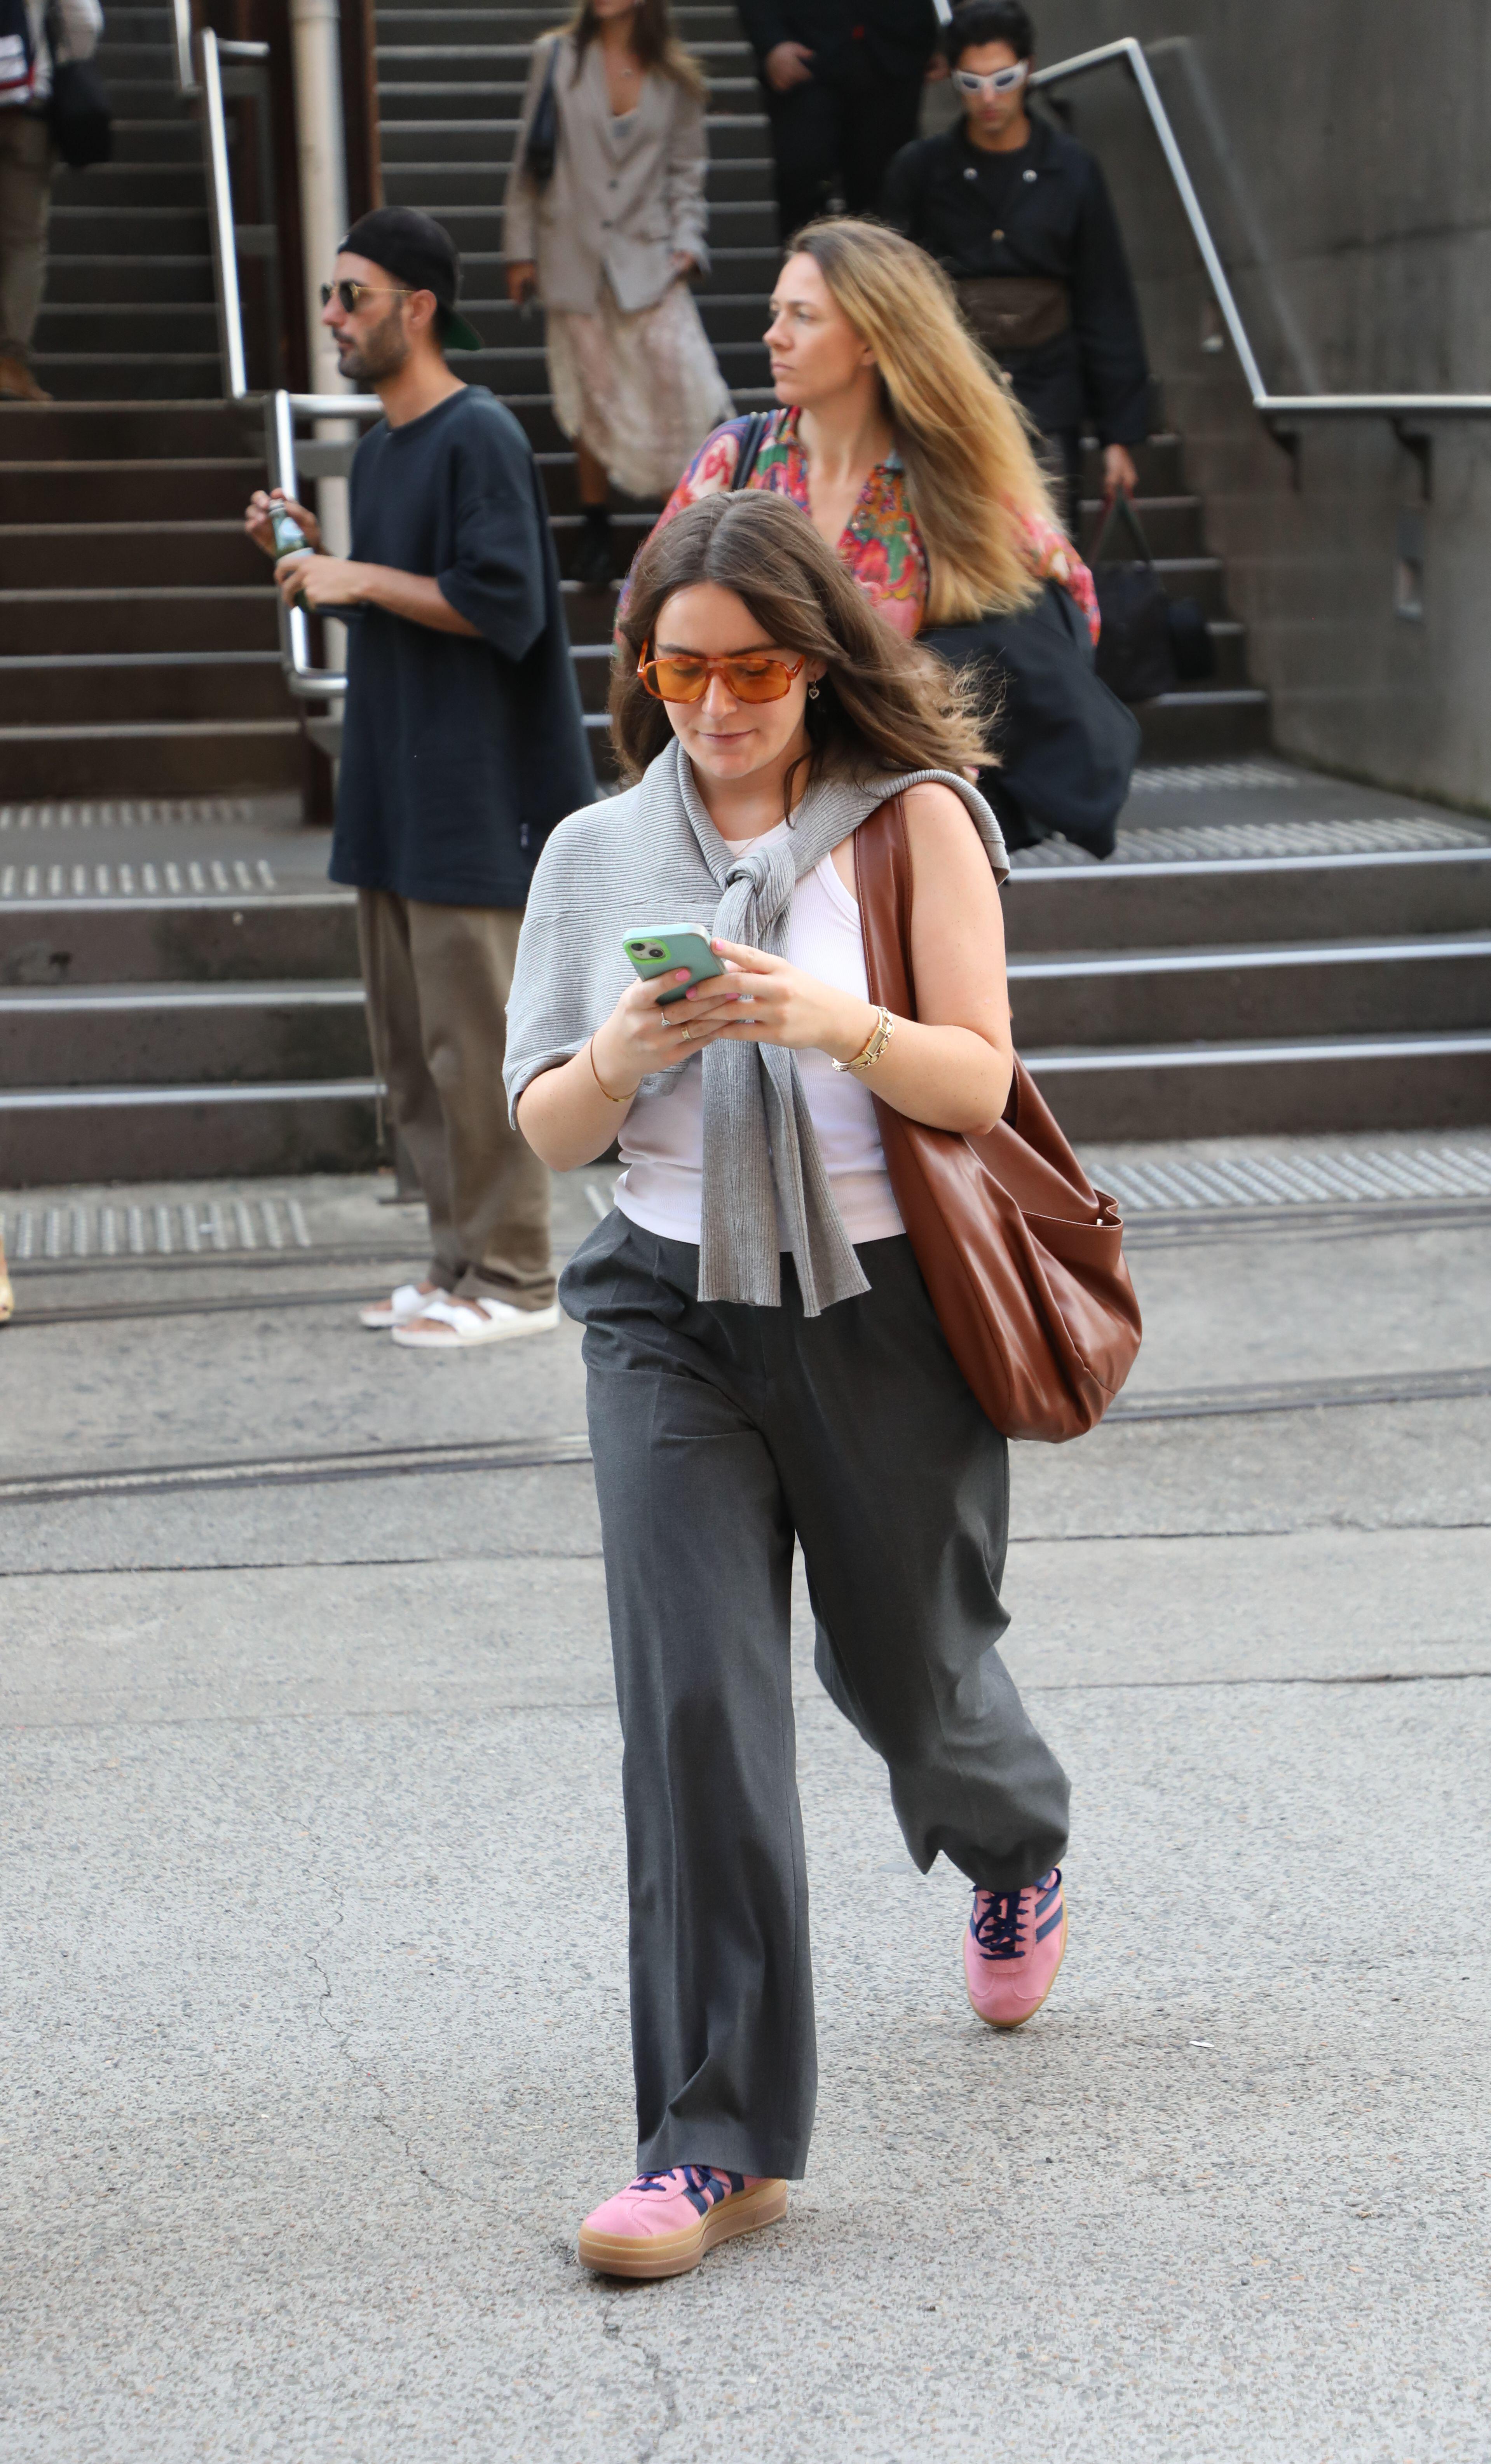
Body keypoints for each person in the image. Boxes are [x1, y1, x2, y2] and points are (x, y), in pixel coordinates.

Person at [505, 489, 1072, 2281]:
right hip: (662, 1308)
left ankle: (1007, 1829)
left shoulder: (908, 829)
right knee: (693, 1707)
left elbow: (972, 1084)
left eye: (749, 665)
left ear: (816, 659)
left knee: (907, 1662)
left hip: (878, 1306)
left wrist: (826, 1020)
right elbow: (540, 1123)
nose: (715, 703)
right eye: (679, 669)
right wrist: (626, 1045)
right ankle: (714, 2137)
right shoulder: (594, 853)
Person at [243, 207, 596, 1352]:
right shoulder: (393, 447)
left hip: (469, 794)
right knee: (412, 1052)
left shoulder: (477, 432)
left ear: (418, 307)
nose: (334, 318)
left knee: (475, 1042)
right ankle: (454, 1264)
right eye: (331, 299)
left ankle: (517, 1272)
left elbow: (501, 605)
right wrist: (311, 550)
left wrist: (353, 575)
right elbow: (397, 591)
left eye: (353, 296)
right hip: (393, 795)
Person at [643, 214, 1097, 642]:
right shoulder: (734, 459)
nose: (774, 334)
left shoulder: (948, 478)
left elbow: (1077, 607)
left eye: (804, 316)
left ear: (870, 342)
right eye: (776, 311)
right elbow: (639, 614)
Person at [882, 0, 1151, 530]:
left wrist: (1119, 436)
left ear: (1028, 68)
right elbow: (889, 294)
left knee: (1048, 548)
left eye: (1003, 79)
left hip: (1048, 388)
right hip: (954, 390)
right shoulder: (919, 171)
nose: (988, 97)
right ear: (950, 79)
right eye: (970, 82)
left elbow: (1104, 297)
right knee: (958, 549)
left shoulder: (1071, 169)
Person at [502, 0, 732, 591]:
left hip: (649, 261)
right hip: (570, 256)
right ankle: (595, 525)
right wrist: (519, 251)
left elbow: (687, 173)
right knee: (591, 392)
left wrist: (687, 243)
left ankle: (682, 527)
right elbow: (529, 162)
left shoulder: (674, 76)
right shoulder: (556, 58)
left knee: (679, 388)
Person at [734, 0, 942, 240]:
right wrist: (771, 41)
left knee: (885, 189)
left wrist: (949, 39)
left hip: (897, 50)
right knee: (802, 176)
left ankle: (876, 275)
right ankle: (805, 272)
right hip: (805, 51)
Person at [0, 0, 102, 400]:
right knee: (24, 241)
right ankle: (9, 364)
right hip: (28, 109)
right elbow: (84, 20)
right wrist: (64, 60)